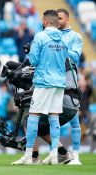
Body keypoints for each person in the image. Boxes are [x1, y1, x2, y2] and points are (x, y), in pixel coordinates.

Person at [11, 10, 69, 165]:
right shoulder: (64, 38)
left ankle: (30, 155)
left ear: (44, 21)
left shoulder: (40, 36)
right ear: (57, 22)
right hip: (59, 83)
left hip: (44, 82)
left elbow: (34, 60)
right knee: (54, 117)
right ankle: (55, 156)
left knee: (32, 117)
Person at [56, 8, 83, 165]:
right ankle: (56, 153)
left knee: (74, 120)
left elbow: (75, 57)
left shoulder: (75, 37)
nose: (57, 21)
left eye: (59, 18)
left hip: (69, 81)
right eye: (55, 18)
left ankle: (76, 155)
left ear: (67, 19)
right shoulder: (51, 34)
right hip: (52, 81)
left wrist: (61, 45)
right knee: (53, 118)